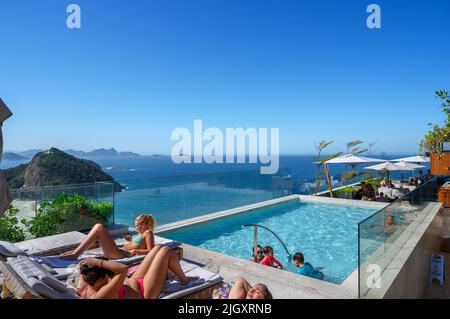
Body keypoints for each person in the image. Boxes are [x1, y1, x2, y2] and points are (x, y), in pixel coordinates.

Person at [77, 245, 198, 299]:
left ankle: (168, 273)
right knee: (166, 251)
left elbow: (81, 279)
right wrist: (97, 262)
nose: (110, 276)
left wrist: (84, 267)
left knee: (157, 248)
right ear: (99, 280)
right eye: (107, 275)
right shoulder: (102, 295)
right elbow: (122, 269)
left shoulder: (87, 286)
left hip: (134, 281)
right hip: (145, 292)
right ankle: (185, 281)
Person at [60, 214, 156, 260]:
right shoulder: (141, 234)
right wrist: (130, 240)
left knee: (99, 227)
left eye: (139, 224)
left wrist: (135, 251)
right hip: (119, 251)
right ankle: (74, 253)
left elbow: (150, 250)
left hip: (120, 255)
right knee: (96, 235)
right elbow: (138, 243)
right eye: (136, 225)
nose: (137, 227)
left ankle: (75, 254)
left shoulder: (148, 233)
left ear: (147, 224)